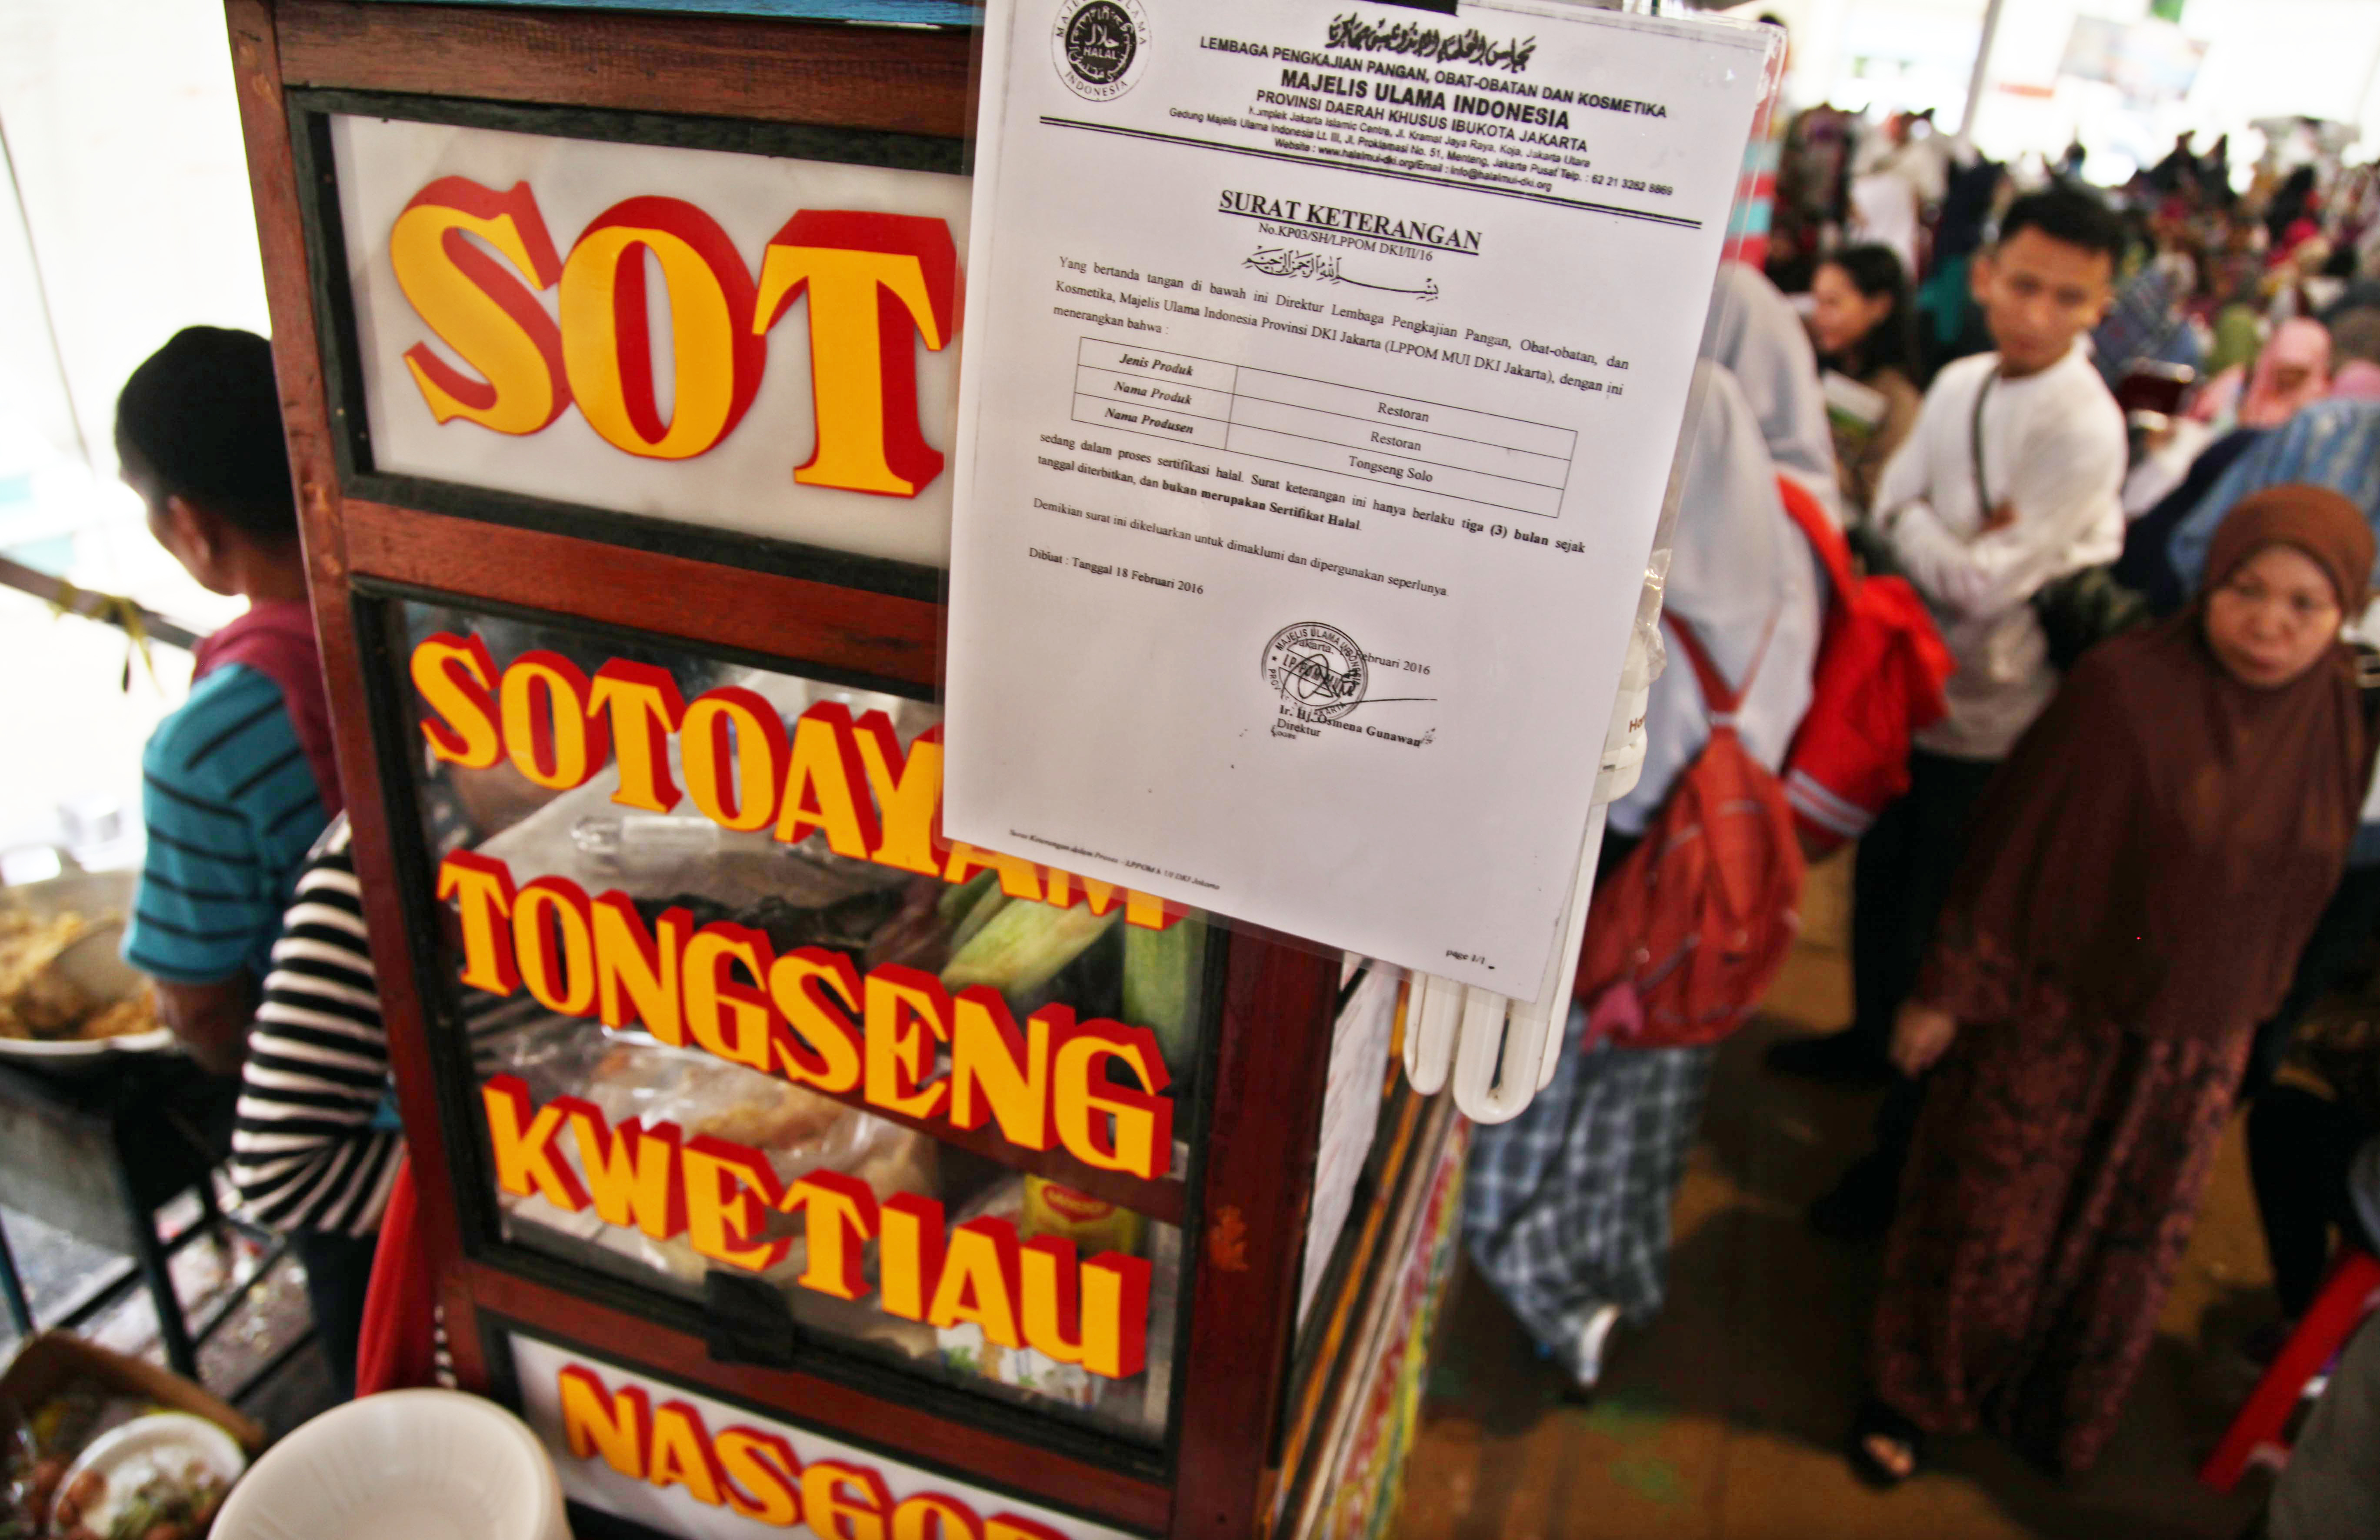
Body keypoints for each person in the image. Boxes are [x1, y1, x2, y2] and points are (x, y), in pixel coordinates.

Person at [1851, 485, 2377, 1484]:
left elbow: (2300, 897)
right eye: (2246, 590)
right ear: (2208, 585)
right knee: (1987, 1221)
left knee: (2118, 1246)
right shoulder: (2124, 690)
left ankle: (2044, 1405)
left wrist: (2249, 1026)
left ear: (2343, 613)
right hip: (2054, 1014)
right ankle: (1915, 1393)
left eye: (2305, 607)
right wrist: (1946, 995)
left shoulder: (2337, 722)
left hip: (2193, 1042)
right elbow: (2013, 850)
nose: (2269, 623)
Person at [1769, 190, 2127, 1232]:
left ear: (2100, 306)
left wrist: (1938, 537)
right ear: (1983, 276)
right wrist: (1950, 537)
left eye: (2068, 297)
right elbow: (1896, 516)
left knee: (1946, 937)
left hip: (1999, 722)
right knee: (1883, 893)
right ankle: (1860, 1043)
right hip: (1911, 691)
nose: (2037, 312)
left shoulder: (2085, 426)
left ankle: (1899, 1160)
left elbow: (1974, 584)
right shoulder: (1967, 381)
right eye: (2023, 284)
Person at [1462, 354, 1820, 1394]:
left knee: (1550, 1092)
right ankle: (1603, 1278)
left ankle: (1543, 1286)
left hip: (1624, 874)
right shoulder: (1775, 573)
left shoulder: (1633, 603)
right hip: (1695, 893)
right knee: (1635, 1112)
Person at [117, 327, 337, 1077]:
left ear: (195, 526)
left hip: (383, 1112)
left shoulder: (207, 745)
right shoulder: (440, 631)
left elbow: (198, 1003)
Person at [1806, 245, 1923, 516]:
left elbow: (1877, 498)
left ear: (1879, 307)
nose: (1819, 315)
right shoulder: (1816, 366)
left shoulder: (1897, 398)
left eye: (1833, 303)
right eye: (1817, 301)